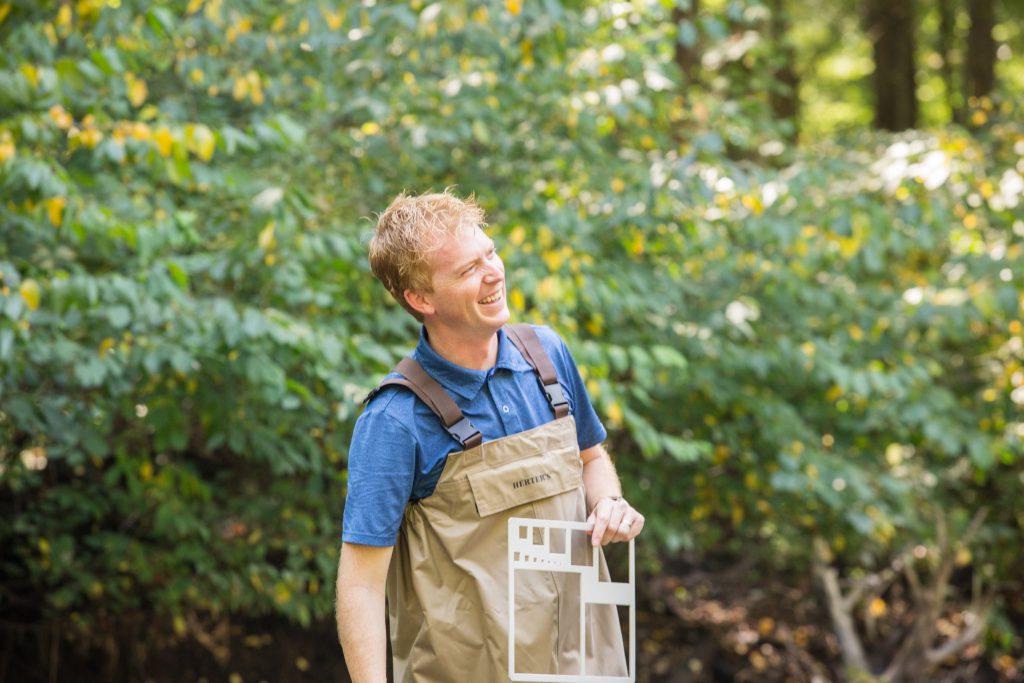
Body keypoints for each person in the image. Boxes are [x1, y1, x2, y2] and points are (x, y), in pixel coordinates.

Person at [335, 189, 644, 682]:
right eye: (466, 270)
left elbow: (590, 458)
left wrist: (609, 503)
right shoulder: (394, 420)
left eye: (490, 252)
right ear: (420, 298)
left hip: (587, 666)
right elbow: (361, 586)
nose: (494, 272)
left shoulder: (546, 355)